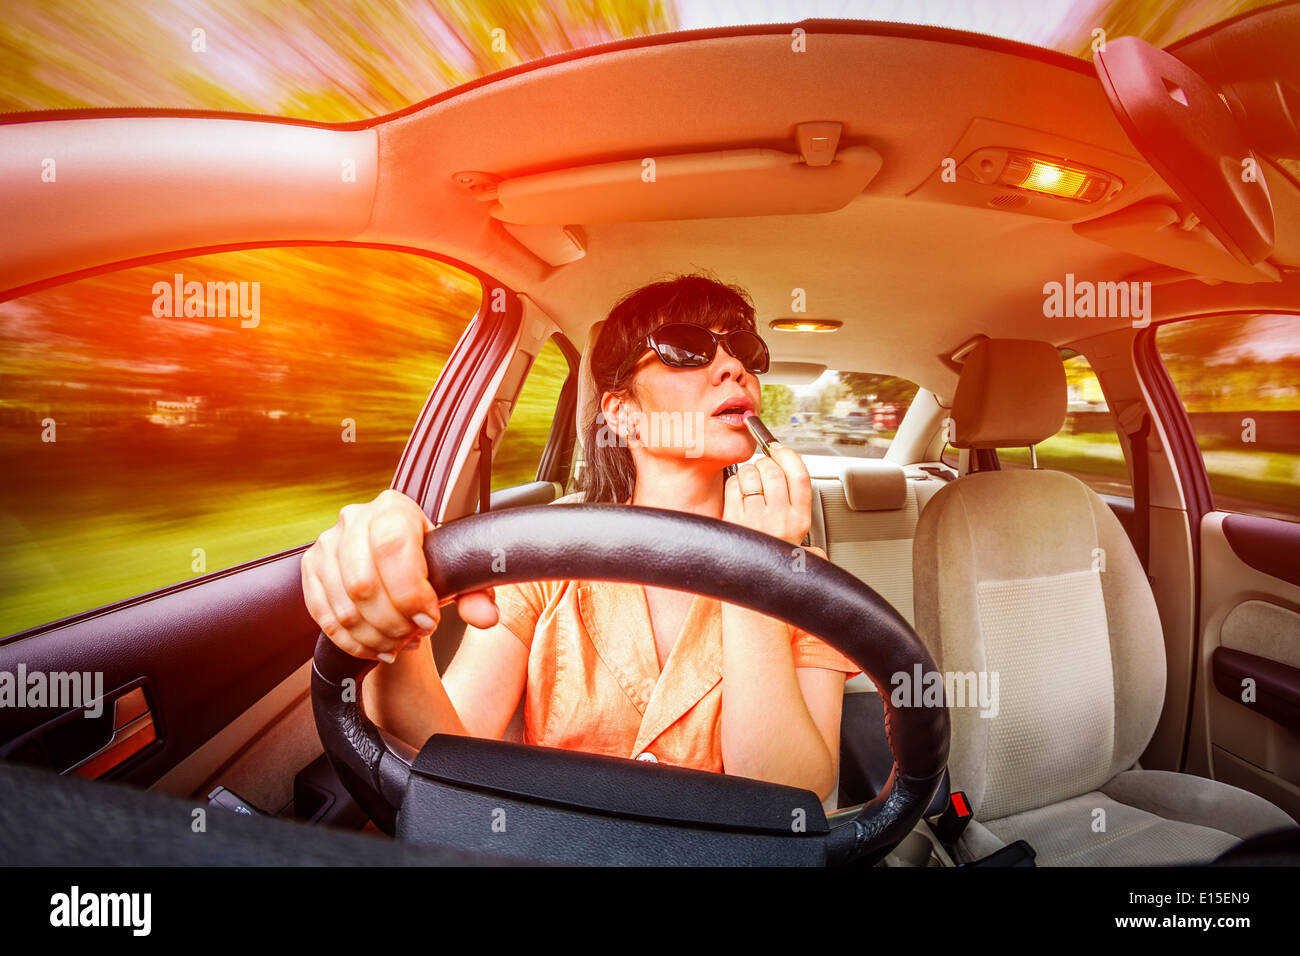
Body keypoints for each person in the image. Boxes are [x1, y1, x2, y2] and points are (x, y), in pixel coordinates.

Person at [300, 273, 860, 801]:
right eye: (688, 349)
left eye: (744, 349)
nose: (733, 367)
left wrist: (756, 576)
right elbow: (447, 752)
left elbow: (792, 799)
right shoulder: (542, 557)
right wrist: (394, 619)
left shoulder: (806, 578)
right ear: (622, 414)